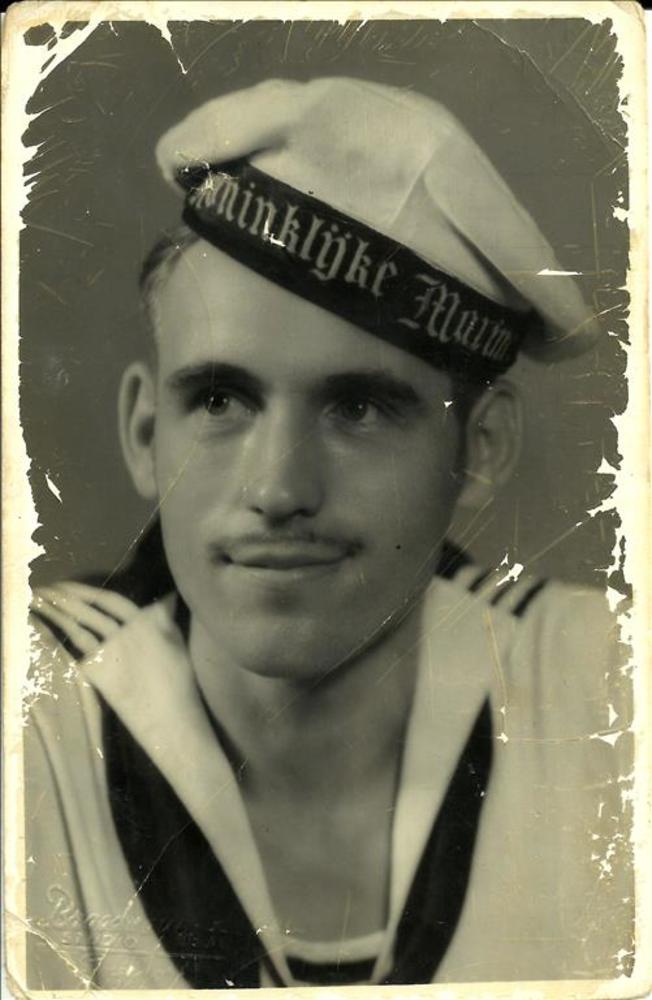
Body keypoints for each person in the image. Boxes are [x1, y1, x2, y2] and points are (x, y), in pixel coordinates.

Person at [24, 77, 631, 990]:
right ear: (147, 433)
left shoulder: (609, 697)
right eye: (220, 401)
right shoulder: (30, 715)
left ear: (481, 448)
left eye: (359, 408)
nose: (278, 489)